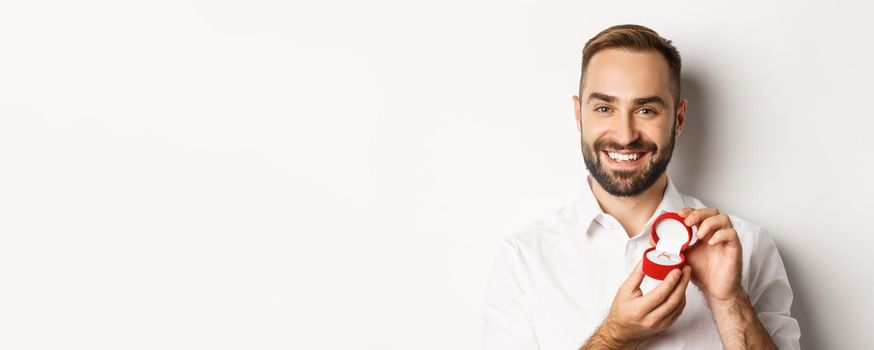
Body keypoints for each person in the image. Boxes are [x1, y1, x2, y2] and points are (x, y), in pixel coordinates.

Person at [482, 24, 801, 349]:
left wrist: (728, 302)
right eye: (604, 108)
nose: (624, 134)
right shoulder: (524, 259)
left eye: (646, 110)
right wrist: (614, 338)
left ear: (678, 119)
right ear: (579, 114)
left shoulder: (748, 247)